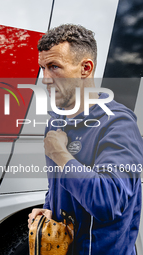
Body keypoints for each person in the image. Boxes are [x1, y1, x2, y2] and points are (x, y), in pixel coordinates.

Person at [28, 24, 143, 254]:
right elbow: (57, 184)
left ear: (85, 68)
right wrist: (49, 208)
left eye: (54, 67)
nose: (45, 79)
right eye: (42, 68)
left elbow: (108, 202)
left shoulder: (118, 124)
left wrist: (59, 154)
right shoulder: (55, 123)